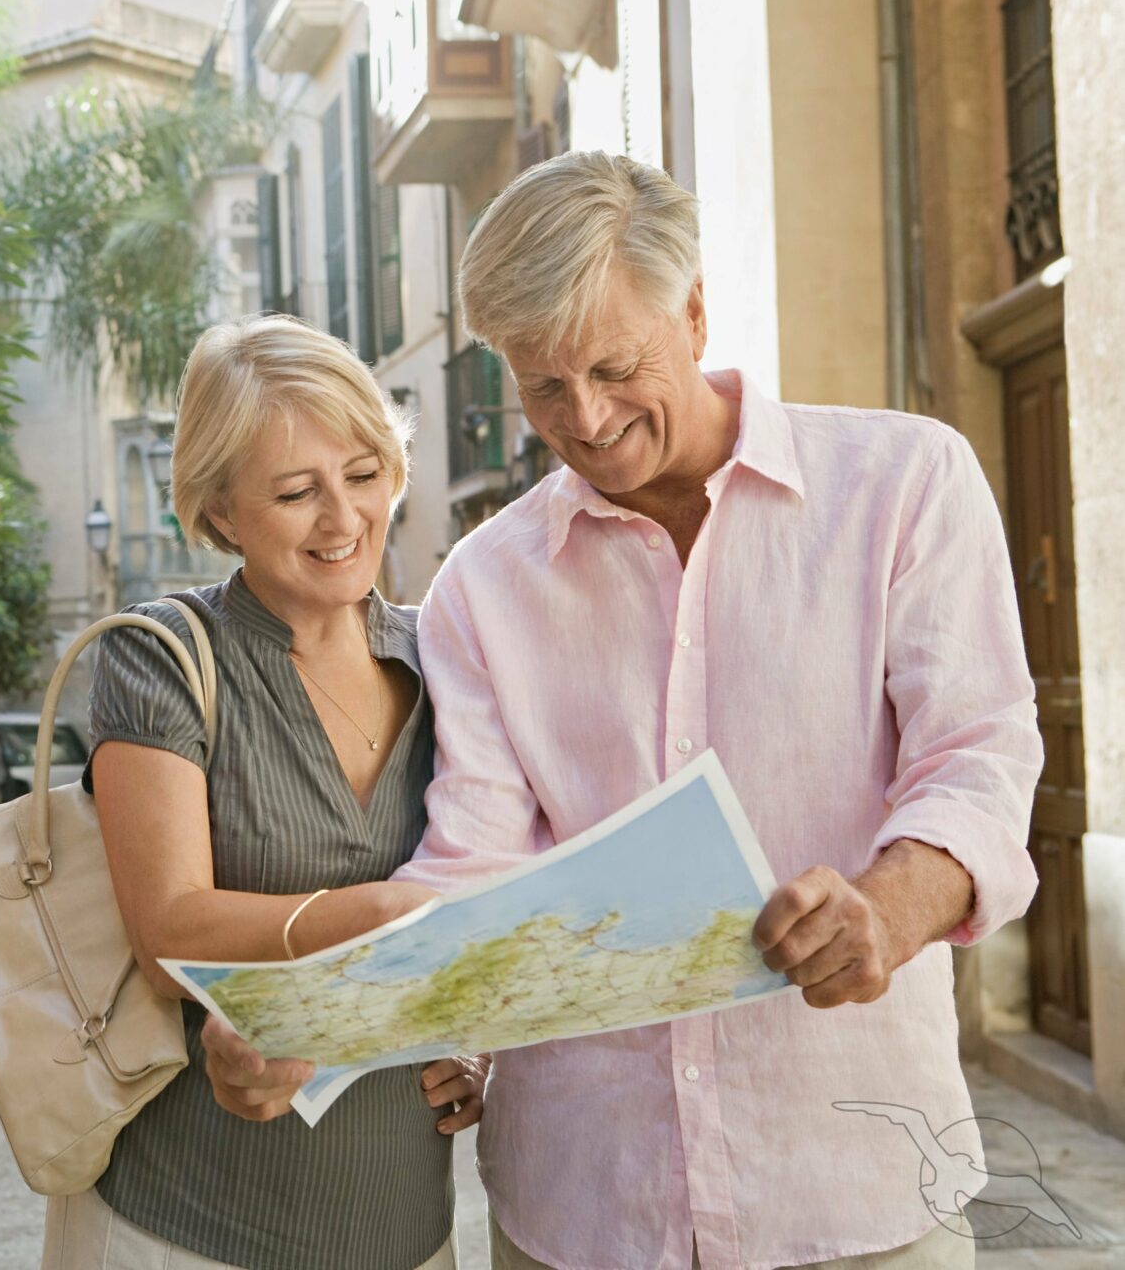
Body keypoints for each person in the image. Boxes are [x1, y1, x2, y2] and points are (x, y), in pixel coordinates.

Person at [202, 151, 1043, 1270]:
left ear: (693, 314)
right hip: (585, 1205)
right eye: (545, 387)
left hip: (856, 1181)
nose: (587, 420)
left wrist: (888, 909)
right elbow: (473, 866)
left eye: (614, 366)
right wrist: (308, 1020)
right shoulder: (482, 585)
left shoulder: (903, 485)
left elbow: (979, 757)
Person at [48, 314, 480, 1270]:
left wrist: (481, 1042)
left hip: (410, 1231)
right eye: (296, 492)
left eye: (363, 475)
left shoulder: (448, 653)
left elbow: (491, 901)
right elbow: (169, 938)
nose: (344, 520)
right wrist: (381, 911)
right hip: (184, 1232)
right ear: (218, 510)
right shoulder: (160, 655)